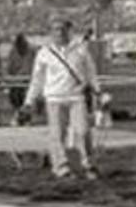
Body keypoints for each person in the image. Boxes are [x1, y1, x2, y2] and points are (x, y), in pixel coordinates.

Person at [20, 18, 101, 180]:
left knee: (83, 131)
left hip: (76, 96)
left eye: (62, 29)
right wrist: (29, 101)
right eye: (55, 29)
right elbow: (37, 79)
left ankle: (87, 164)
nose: (59, 33)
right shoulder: (44, 53)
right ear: (51, 32)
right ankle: (61, 167)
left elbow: (91, 72)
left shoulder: (80, 49)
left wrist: (98, 91)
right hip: (54, 98)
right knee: (57, 135)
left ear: (69, 30)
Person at [5, 33, 35, 119]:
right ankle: (18, 113)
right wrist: (11, 77)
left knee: (25, 95)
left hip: (27, 79)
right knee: (14, 95)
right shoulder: (13, 52)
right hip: (16, 80)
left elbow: (31, 66)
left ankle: (26, 115)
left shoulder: (30, 51)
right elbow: (10, 68)